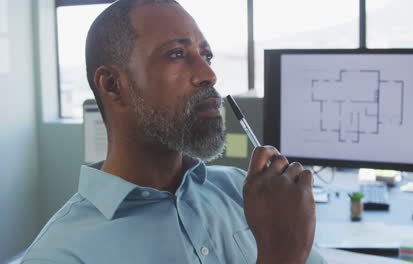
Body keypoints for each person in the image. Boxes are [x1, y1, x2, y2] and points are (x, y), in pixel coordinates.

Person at [21, 0, 326, 263]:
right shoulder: (61, 255)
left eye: (206, 55)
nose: (209, 74)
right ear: (113, 85)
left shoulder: (242, 190)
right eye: (177, 54)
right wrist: (281, 256)